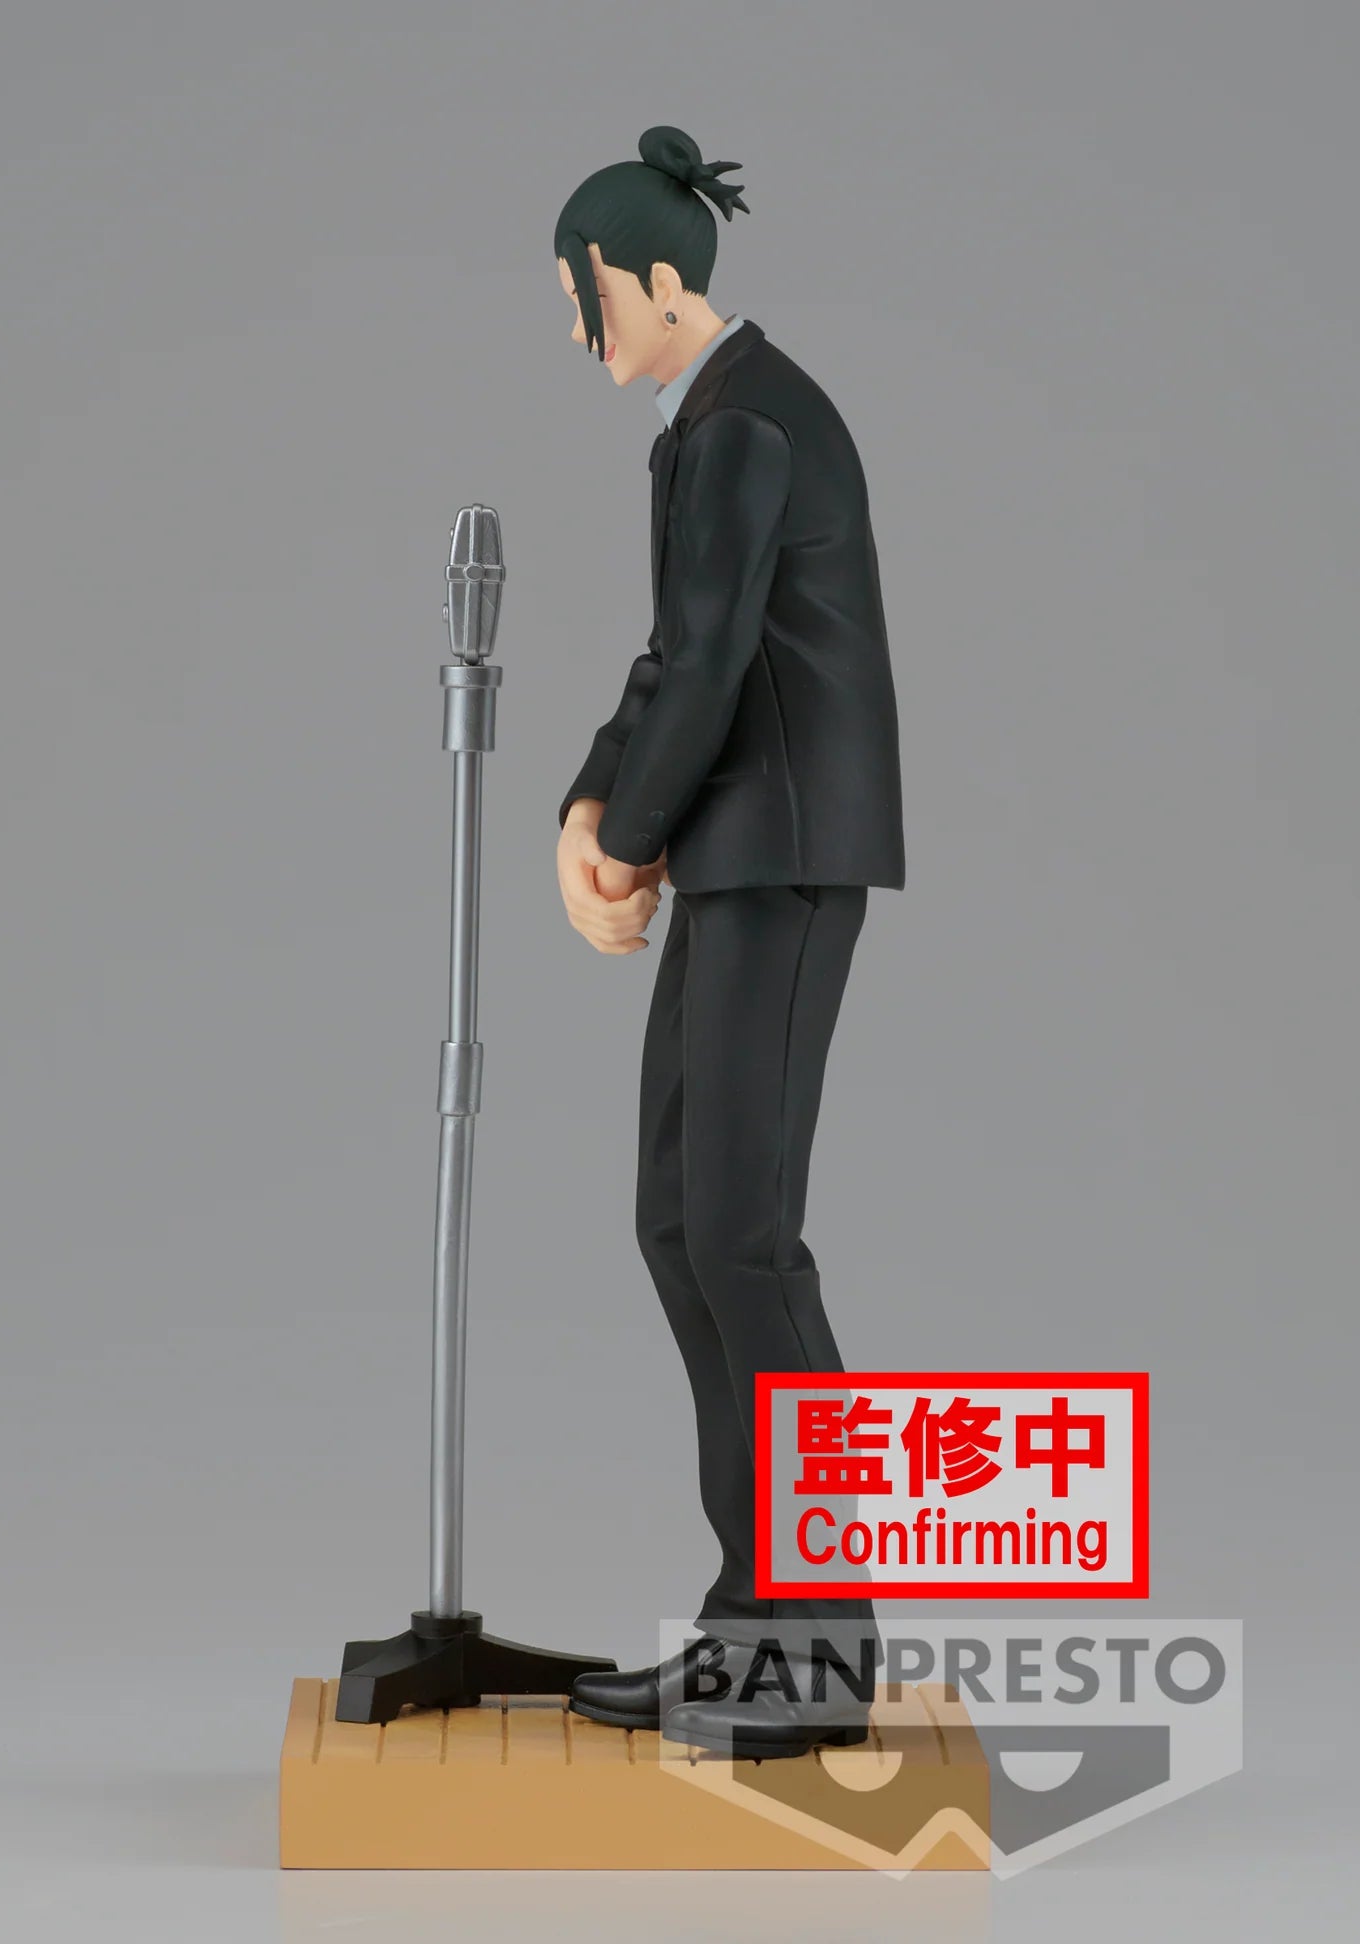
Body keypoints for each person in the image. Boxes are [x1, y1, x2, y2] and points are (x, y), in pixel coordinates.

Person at [552, 126, 906, 1758]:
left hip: (780, 854)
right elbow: (676, 651)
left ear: (654, 280)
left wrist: (625, 842)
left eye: (584, 294)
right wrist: (593, 804)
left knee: (743, 1242)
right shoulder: (715, 418)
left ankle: (814, 1650)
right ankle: (752, 1624)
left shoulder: (747, 421)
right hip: (738, 849)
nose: (577, 328)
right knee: (683, 1225)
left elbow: (703, 667)